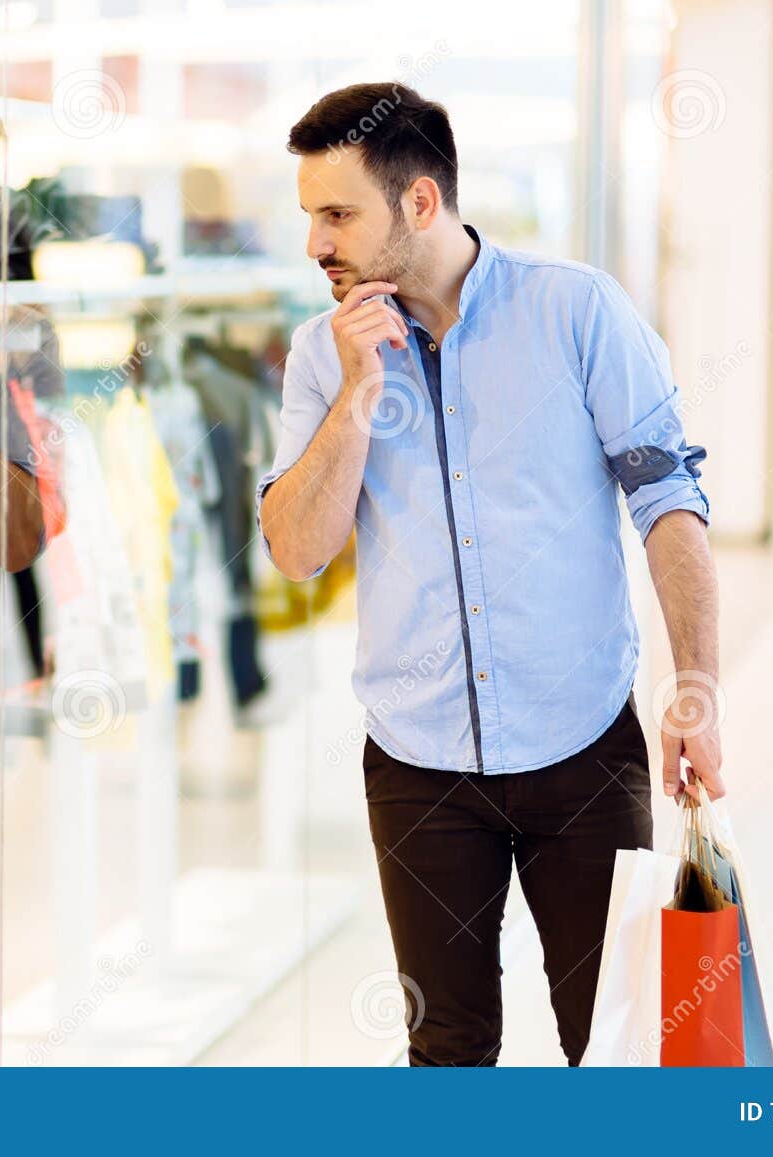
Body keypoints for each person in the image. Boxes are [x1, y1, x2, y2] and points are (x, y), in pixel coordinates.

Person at [255, 83, 726, 1067]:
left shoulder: (577, 310)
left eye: (335, 213)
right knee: (447, 1045)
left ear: (419, 203)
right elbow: (296, 550)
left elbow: (668, 504)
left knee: (611, 1038)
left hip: (583, 748)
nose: (314, 242)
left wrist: (696, 689)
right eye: (308, 215)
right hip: (416, 764)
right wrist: (354, 398)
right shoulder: (320, 355)